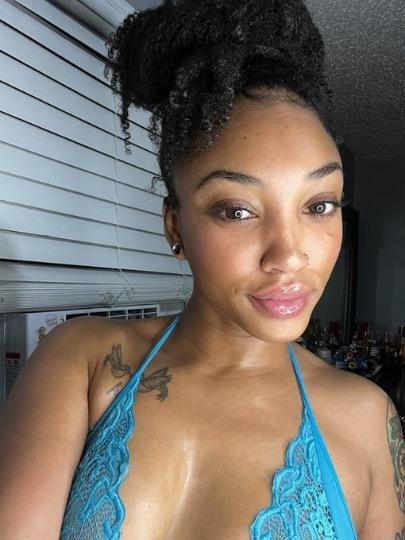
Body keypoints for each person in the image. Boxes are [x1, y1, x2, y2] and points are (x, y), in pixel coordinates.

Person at [0, 0, 403, 538]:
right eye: (237, 211)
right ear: (175, 226)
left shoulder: (368, 417)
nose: (288, 256)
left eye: (319, 205)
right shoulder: (82, 361)